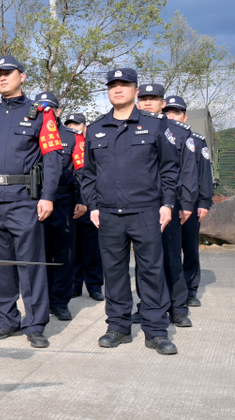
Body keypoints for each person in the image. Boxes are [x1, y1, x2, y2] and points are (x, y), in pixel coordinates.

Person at [81, 68, 180, 355]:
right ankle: (118, 327)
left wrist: (167, 204)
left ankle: (156, 331)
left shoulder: (155, 126)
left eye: (125, 85)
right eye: (113, 85)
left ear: (135, 90)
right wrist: (94, 205)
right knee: (113, 274)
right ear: (108, 91)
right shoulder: (97, 129)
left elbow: (169, 169)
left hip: (146, 211)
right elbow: (87, 173)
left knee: (151, 272)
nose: (118, 89)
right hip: (109, 214)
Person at [0, 55, 61, 349]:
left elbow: (53, 158)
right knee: (1, 267)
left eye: (8, 73)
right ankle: (7, 321)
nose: (2, 78)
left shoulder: (41, 114)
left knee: (30, 265)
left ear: (22, 76)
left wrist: (47, 196)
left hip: (25, 202)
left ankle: (34, 325)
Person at [135, 84, 197, 328]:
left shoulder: (178, 131)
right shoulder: (132, 128)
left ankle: (178, 307)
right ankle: (147, 306)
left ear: (162, 103)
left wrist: (188, 202)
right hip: (142, 205)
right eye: (144, 99)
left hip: (170, 204)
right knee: (146, 262)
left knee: (172, 257)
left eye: (153, 99)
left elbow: (189, 170)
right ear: (137, 102)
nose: (148, 103)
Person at [34, 92, 87, 321]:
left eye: (50, 108)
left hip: (64, 203)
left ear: (59, 111)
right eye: (41, 107)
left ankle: (60, 301)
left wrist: (84, 200)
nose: (46, 111)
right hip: (34, 203)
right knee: (37, 254)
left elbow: (83, 171)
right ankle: (41, 300)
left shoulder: (73, 138)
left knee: (63, 254)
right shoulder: (29, 134)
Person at [162, 96, 214, 307]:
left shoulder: (197, 140)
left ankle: (190, 290)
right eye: (168, 112)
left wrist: (203, 202)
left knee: (189, 248)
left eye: (176, 113)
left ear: (185, 116)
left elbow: (203, 175)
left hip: (190, 204)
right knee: (167, 250)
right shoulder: (160, 137)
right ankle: (167, 292)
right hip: (167, 203)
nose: (172, 116)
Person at [65, 113, 104, 301]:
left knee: (91, 248)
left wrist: (88, 200)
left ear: (84, 127)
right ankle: (75, 284)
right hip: (69, 202)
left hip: (88, 201)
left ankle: (94, 285)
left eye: (76, 125)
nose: (73, 128)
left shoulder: (84, 143)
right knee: (73, 247)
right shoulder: (64, 141)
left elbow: (85, 175)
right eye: (70, 125)